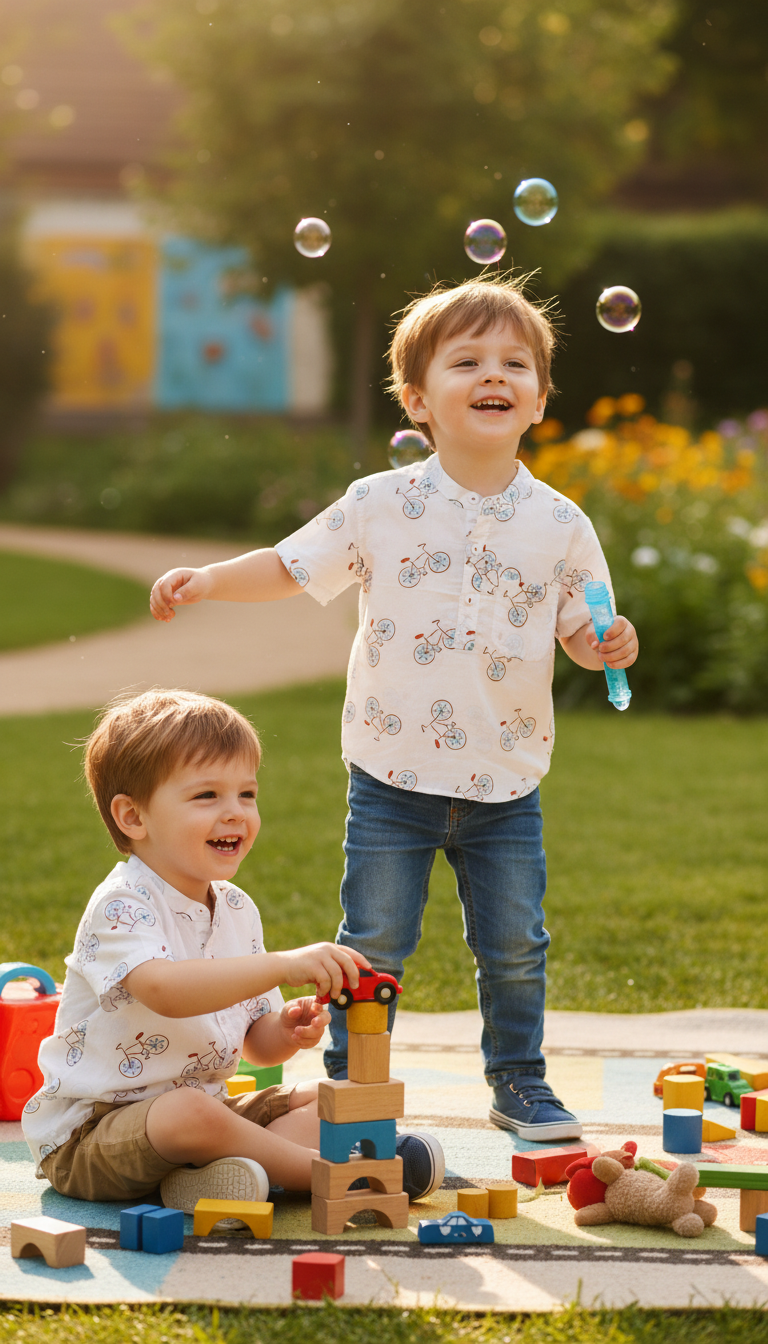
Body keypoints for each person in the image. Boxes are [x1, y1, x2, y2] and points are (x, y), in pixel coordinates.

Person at [149, 276, 639, 1142]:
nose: (496, 375)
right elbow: (294, 565)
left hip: (505, 782)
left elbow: (579, 627)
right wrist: (211, 581)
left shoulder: (562, 523)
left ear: (537, 400)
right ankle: (351, 1086)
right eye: (469, 362)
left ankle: (520, 1081)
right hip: (390, 774)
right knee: (373, 942)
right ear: (419, 399)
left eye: (515, 364)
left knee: (517, 948)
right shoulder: (382, 504)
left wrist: (605, 644)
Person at [22, 689, 444, 1209]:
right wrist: (284, 963)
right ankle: (343, 1177)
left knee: (335, 1098)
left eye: (247, 794)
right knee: (188, 1115)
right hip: (93, 1136)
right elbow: (166, 991)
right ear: (133, 817)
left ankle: (221, 1178)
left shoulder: (237, 909)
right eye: (206, 796)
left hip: (208, 1115)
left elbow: (257, 1046)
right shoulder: (122, 904)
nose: (235, 813)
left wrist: (286, 1027)